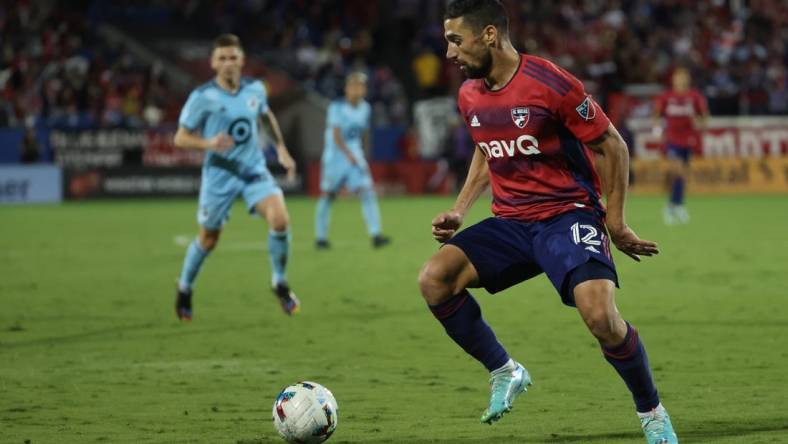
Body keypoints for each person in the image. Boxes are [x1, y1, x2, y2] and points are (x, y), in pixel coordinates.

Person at [417, 1, 677, 443]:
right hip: (512, 223)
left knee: (601, 317)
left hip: (566, 214)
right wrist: (460, 209)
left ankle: (652, 414)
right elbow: (486, 147)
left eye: (455, 40)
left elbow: (612, 147)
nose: (449, 53)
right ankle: (506, 371)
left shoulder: (550, 83)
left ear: (490, 36)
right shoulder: (469, 94)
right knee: (435, 279)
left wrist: (615, 222)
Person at [173, 34, 300, 320]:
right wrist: (207, 144)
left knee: (280, 220)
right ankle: (184, 287)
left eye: (233, 57)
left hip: (253, 169)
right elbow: (180, 137)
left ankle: (279, 282)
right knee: (208, 240)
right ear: (213, 63)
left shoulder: (255, 89)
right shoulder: (203, 97)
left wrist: (281, 149)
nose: (228, 63)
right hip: (220, 174)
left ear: (242, 61)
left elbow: (265, 116)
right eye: (222, 58)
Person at [314, 72, 390, 249]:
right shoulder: (337, 107)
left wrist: (363, 154)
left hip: (355, 156)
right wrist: (349, 155)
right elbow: (336, 135)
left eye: (361, 86)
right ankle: (320, 237)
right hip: (335, 158)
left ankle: (376, 234)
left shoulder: (365, 108)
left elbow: (364, 134)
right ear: (347, 88)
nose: (358, 89)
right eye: (354, 85)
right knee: (328, 196)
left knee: (367, 192)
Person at [653, 67, 709, 225]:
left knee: (682, 175)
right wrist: (657, 131)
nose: (681, 81)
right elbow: (656, 115)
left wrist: (699, 123)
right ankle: (675, 206)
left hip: (688, 140)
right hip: (672, 140)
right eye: (678, 78)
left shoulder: (694, 96)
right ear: (673, 80)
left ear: (688, 80)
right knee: (677, 171)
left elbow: (704, 117)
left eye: (683, 78)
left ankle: (674, 205)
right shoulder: (666, 97)